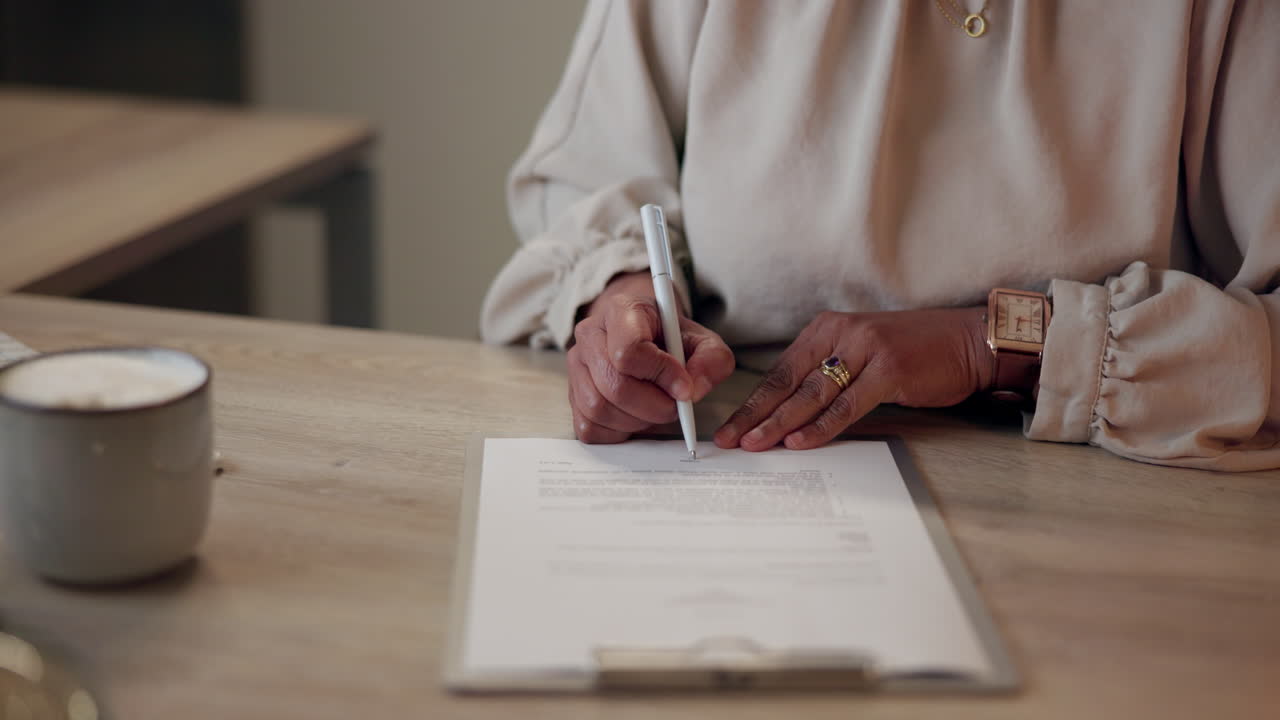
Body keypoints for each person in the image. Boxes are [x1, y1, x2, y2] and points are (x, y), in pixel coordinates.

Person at [481, 0, 1280, 471]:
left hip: (1109, 501)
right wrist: (623, 308)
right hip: (733, 465)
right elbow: (585, 177)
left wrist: (994, 346)